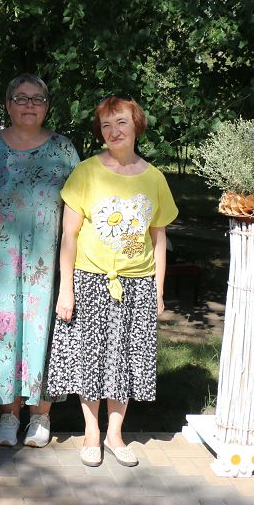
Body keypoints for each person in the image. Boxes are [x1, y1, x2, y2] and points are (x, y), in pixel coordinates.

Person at [45, 96, 177, 468]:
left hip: (137, 283)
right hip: (90, 280)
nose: (113, 131)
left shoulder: (154, 178)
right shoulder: (86, 172)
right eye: (106, 125)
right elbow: (69, 236)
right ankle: (92, 433)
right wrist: (67, 289)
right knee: (91, 358)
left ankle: (115, 434)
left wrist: (158, 290)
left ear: (136, 125)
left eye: (121, 122)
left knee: (127, 359)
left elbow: (159, 239)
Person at [0, 75, 79, 448]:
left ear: (47, 106)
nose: (29, 105)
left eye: (37, 99)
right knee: (3, 332)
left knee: (43, 332)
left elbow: (79, 207)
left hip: (47, 262)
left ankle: (41, 415)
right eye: (21, 98)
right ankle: (8, 414)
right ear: (8, 104)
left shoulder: (63, 150)